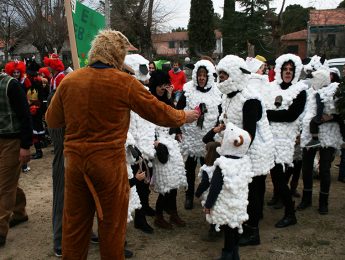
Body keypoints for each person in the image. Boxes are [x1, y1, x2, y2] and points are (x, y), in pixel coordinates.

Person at [45, 29, 199, 259]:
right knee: (112, 227)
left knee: (75, 227)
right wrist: (184, 116)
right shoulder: (124, 82)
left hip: (76, 163)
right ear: (117, 55)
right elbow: (158, 112)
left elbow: (52, 119)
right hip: (108, 164)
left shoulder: (71, 80)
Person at [215, 55, 274, 246]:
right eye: (220, 75)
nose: (221, 79)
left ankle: (253, 232)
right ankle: (247, 224)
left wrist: (229, 143)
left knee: (254, 192)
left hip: (254, 152)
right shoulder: (229, 96)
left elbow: (249, 133)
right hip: (240, 151)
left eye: (224, 75)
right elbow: (228, 120)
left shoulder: (250, 99)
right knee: (248, 192)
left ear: (234, 75)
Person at [263, 54, 307, 228]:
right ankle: (280, 202)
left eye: (291, 70)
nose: (288, 72)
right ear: (279, 70)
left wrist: (267, 114)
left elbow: (291, 115)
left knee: (279, 178)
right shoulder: (271, 87)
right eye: (285, 69)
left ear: (295, 72)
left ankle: (290, 213)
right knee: (274, 177)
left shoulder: (300, 90)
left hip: (284, 140)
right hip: (267, 137)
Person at [174, 59, 222, 210]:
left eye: (204, 75)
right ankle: (189, 196)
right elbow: (178, 112)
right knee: (189, 170)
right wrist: (177, 129)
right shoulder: (187, 91)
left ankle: (205, 194)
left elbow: (221, 114)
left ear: (208, 76)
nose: (201, 77)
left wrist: (216, 130)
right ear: (195, 75)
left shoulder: (217, 92)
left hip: (208, 140)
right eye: (199, 74)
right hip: (190, 139)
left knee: (208, 170)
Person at [203, 122, 253, 260]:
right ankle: (234, 254)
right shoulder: (244, 162)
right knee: (235, 229)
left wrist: (208, 205)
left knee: (229, 231)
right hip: (239, 204)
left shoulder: (222, 164)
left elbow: (215, 187)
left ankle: (227, 255)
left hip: (226, 205)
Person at [148, 70, 187, 229]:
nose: (163, 89)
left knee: (175, 181)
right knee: (165, 182)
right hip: (159, 145)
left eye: (165, 85)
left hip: (171, 143)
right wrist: (154, 142)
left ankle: (173, 213)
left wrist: (177, 131)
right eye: (160, 86)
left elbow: (173, 116)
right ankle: (158, 216)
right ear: (154, 85)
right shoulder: (149, 102)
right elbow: (146, 124)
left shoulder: (166, 99)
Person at [299, 75, 342, 214]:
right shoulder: (308, 92)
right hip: (309, 134)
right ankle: (306, 198)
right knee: (306, 168)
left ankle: (323, 203)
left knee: (324, 169)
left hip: (328, 134)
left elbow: (340, 112)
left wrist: (331, 117)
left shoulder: (334, 92)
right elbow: (304, 112)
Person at [0, 72, 32, 247]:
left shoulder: (11, 85)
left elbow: (25, 116)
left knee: (4, 185)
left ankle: (0, 230)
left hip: (12, 141)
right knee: (8, 181)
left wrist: (25, 145)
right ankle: (19, 212)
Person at [4, 60, 32, 173]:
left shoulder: (23, 82)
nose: (16, 74)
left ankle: (24, 165)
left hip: (23, 109)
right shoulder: (9, 83)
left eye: (17, 72)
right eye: (14, 72)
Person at [195, 141, 221, 242]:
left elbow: (205, 183)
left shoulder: (207, 169)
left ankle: (213, 231)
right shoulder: (222, 167)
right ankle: (220, 228)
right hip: (221, 194)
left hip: (210, 195)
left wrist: (197, 193)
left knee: (212, 212)